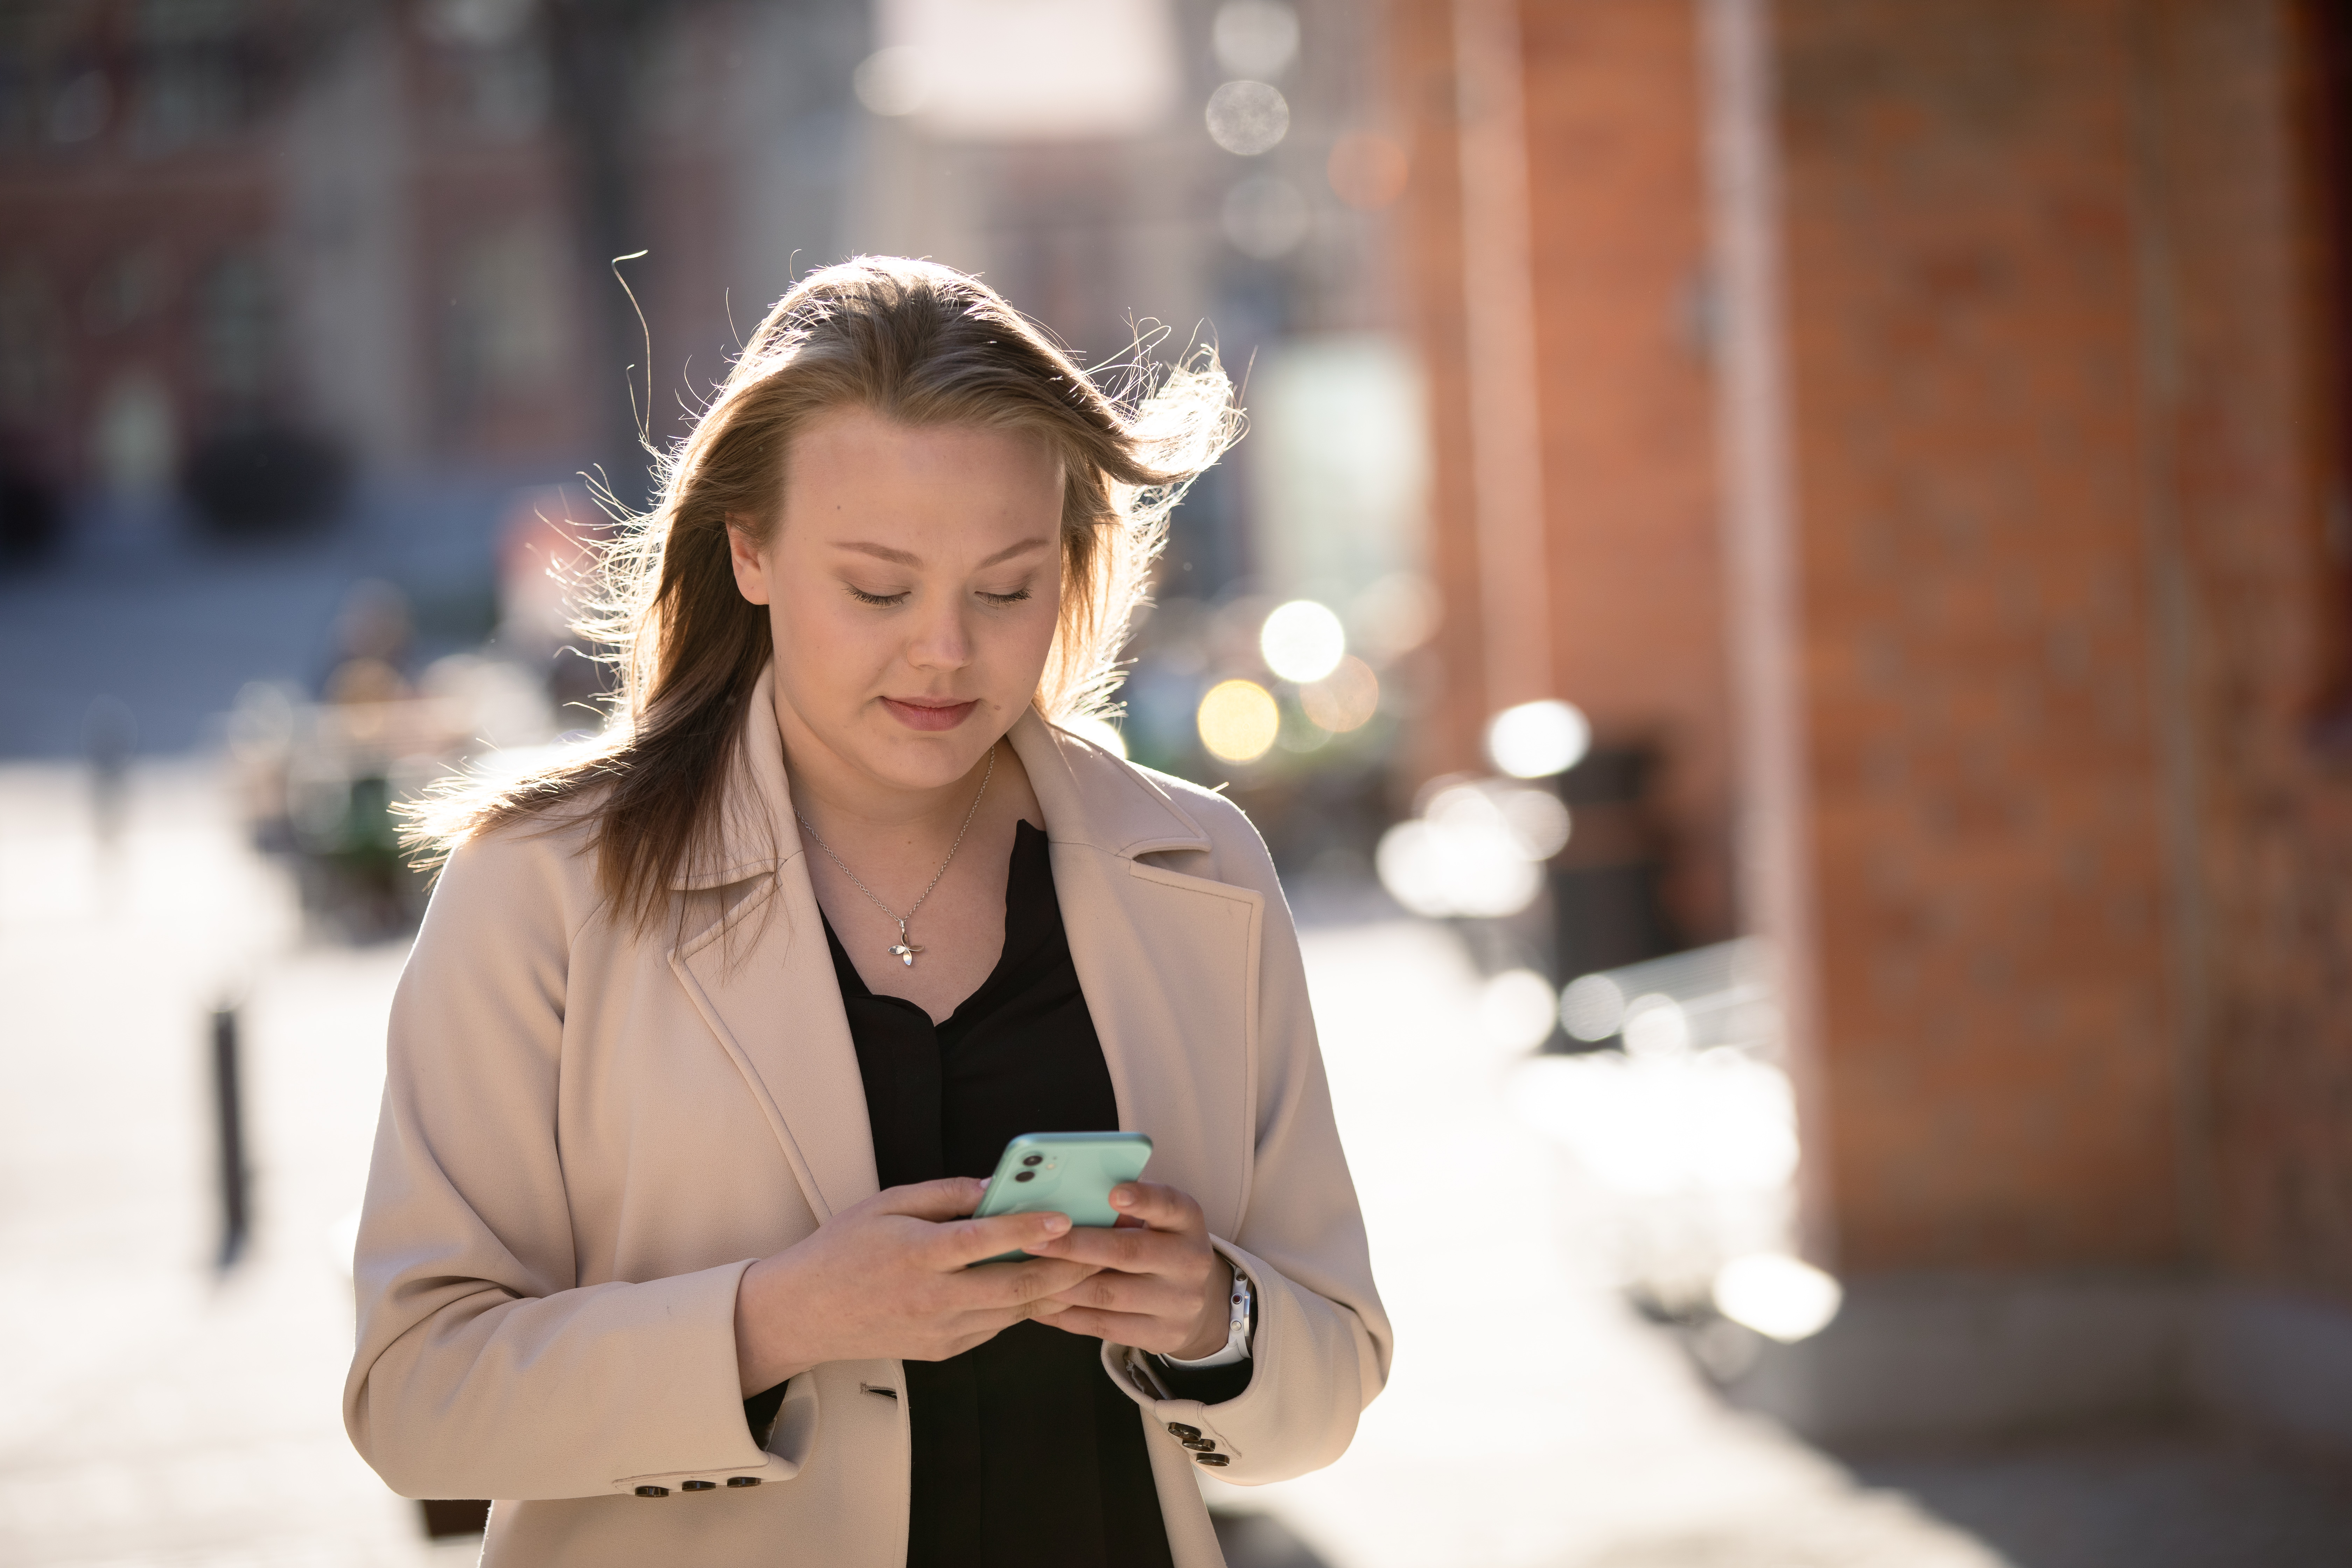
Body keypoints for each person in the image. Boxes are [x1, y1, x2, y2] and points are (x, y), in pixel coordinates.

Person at [343, 257, 1391, 1568]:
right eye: (880, 591)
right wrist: (774, 1320)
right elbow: (415, 1401)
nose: (945, 652)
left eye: (1006, 588)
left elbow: (1332, 1375)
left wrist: (1217, 1321)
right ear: (751, 551)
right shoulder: (543, 887)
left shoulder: (1204, 869)